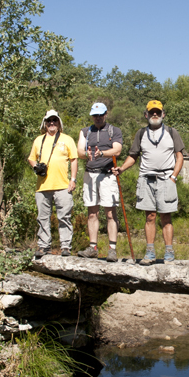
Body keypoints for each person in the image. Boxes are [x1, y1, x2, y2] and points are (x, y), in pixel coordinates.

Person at [115, 100, 186, 265]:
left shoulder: (171, 132)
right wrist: (122, 168)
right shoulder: (140, 133)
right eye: (152, 112)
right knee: (150, 217)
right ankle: (150, 253)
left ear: (163, 114)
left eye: (158, 112)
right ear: (146, 114)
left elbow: (179, 156)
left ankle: (169, 253)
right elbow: (133, 156)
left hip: (166, 178)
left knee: (166, 217)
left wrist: (173, 177)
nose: (155, 114)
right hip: (146, 179)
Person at [77, 102, 123, 262]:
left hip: (107, 175)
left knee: (110, 213)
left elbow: (117, 150)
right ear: (92, 116)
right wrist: (86, 154)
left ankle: (112, 249)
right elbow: (79, 151)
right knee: (92, 213)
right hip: (90, 175)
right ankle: (93, 248)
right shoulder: (85, 131)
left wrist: (102, 153)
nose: (97, 118)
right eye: (95, 115)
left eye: (100, 115)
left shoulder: (113, 131)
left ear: (106, 114)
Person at [27, 110, 78, 258]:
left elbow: (74, 159)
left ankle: (65, 246)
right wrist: (35, 166)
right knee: (42, 217)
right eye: (49, 121)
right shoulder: (38, 140)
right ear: (45, 123)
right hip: (42, 186)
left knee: (64, 217)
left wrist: (73, 180)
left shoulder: (67, 139)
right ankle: (44, 246)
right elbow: (31, 158)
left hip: (63, 185)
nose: (52, 123)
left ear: (59, 123)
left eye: (54, 120)